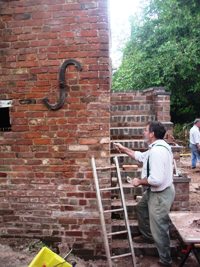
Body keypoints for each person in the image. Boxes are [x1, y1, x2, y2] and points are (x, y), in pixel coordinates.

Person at [114, 121, 175, 267]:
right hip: (156, 191)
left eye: (146, 130)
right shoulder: (157, 147)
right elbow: (141, 156)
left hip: (161, 194)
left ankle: (166, 261)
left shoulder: (158, 151)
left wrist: (139, 181)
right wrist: (123, 149)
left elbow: (156, 180)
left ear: (152, 133)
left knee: (159, 227)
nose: (143, 132)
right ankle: (148, 237)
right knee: (141, 207)